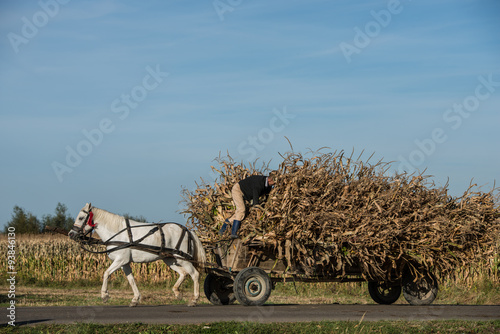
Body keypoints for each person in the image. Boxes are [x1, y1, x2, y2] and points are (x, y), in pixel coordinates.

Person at [219, 173, 275, 238]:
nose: (274, 185)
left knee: (240, 213)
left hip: (245, 194)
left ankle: (223, 228)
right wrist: (257, 208)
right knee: (241, 210)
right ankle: (233, 233)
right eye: (273, 183)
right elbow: (255, 199)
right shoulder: (259, 183)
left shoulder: (267, 185)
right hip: (238, 190)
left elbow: (267, 196)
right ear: (270, 180)